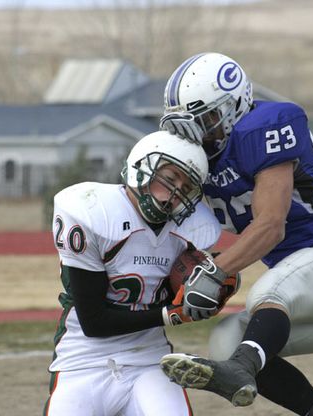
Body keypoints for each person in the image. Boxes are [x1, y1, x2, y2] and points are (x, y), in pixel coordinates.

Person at [158, 52, 313, 416]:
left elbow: (271, 225)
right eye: (189, 123)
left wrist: (214, 271)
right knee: (227, 344)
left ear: (235, 104)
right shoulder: (198, 161)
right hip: (301, 300)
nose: (199, 132)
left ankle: (241, 369)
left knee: (267, 291)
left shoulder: (262, 127)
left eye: (207, 118)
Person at [43, 130, 224, 416]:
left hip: (148, 360)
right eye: (170, 178)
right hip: (83, 359)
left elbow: (197, 277)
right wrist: (172, 313)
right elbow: (94, 322)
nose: (176, 193)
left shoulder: (192, 231)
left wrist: (216, 280)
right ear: (143, 167)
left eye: (186, 186)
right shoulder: (93, 211)